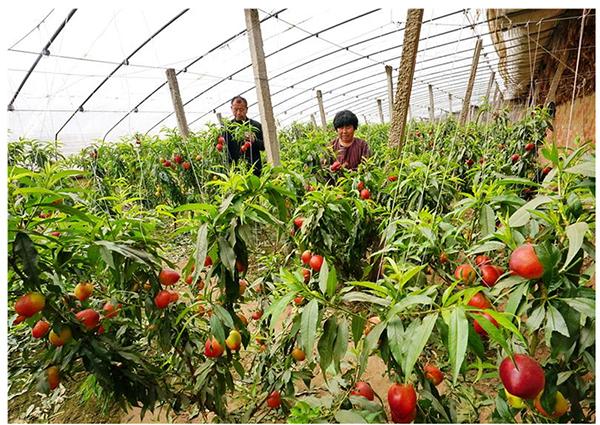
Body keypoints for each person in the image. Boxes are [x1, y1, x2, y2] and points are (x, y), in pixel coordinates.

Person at [221, 96, 265, 176]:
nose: (238, 112)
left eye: (241, 110)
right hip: (235, 172)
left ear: (246, 109)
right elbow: (223, 151)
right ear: (231, 109)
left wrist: (254, 140)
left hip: (254, 170)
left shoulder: (255, 126)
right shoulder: (227, 128)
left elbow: (265, 146)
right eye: (235, 109)